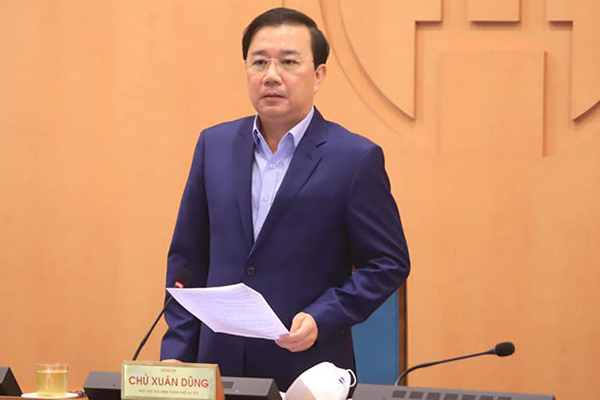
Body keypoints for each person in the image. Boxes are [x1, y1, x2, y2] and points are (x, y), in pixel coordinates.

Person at [160, 7, 410, 391]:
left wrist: (323, 316)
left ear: (319, 75)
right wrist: (176, 354)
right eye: (259, 62)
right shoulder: (214, 145)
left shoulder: (354, 158)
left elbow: (387, 263)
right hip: (215, 371)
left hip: (306, 372)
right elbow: (187, 262)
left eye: (289, 62)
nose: (271, 75)